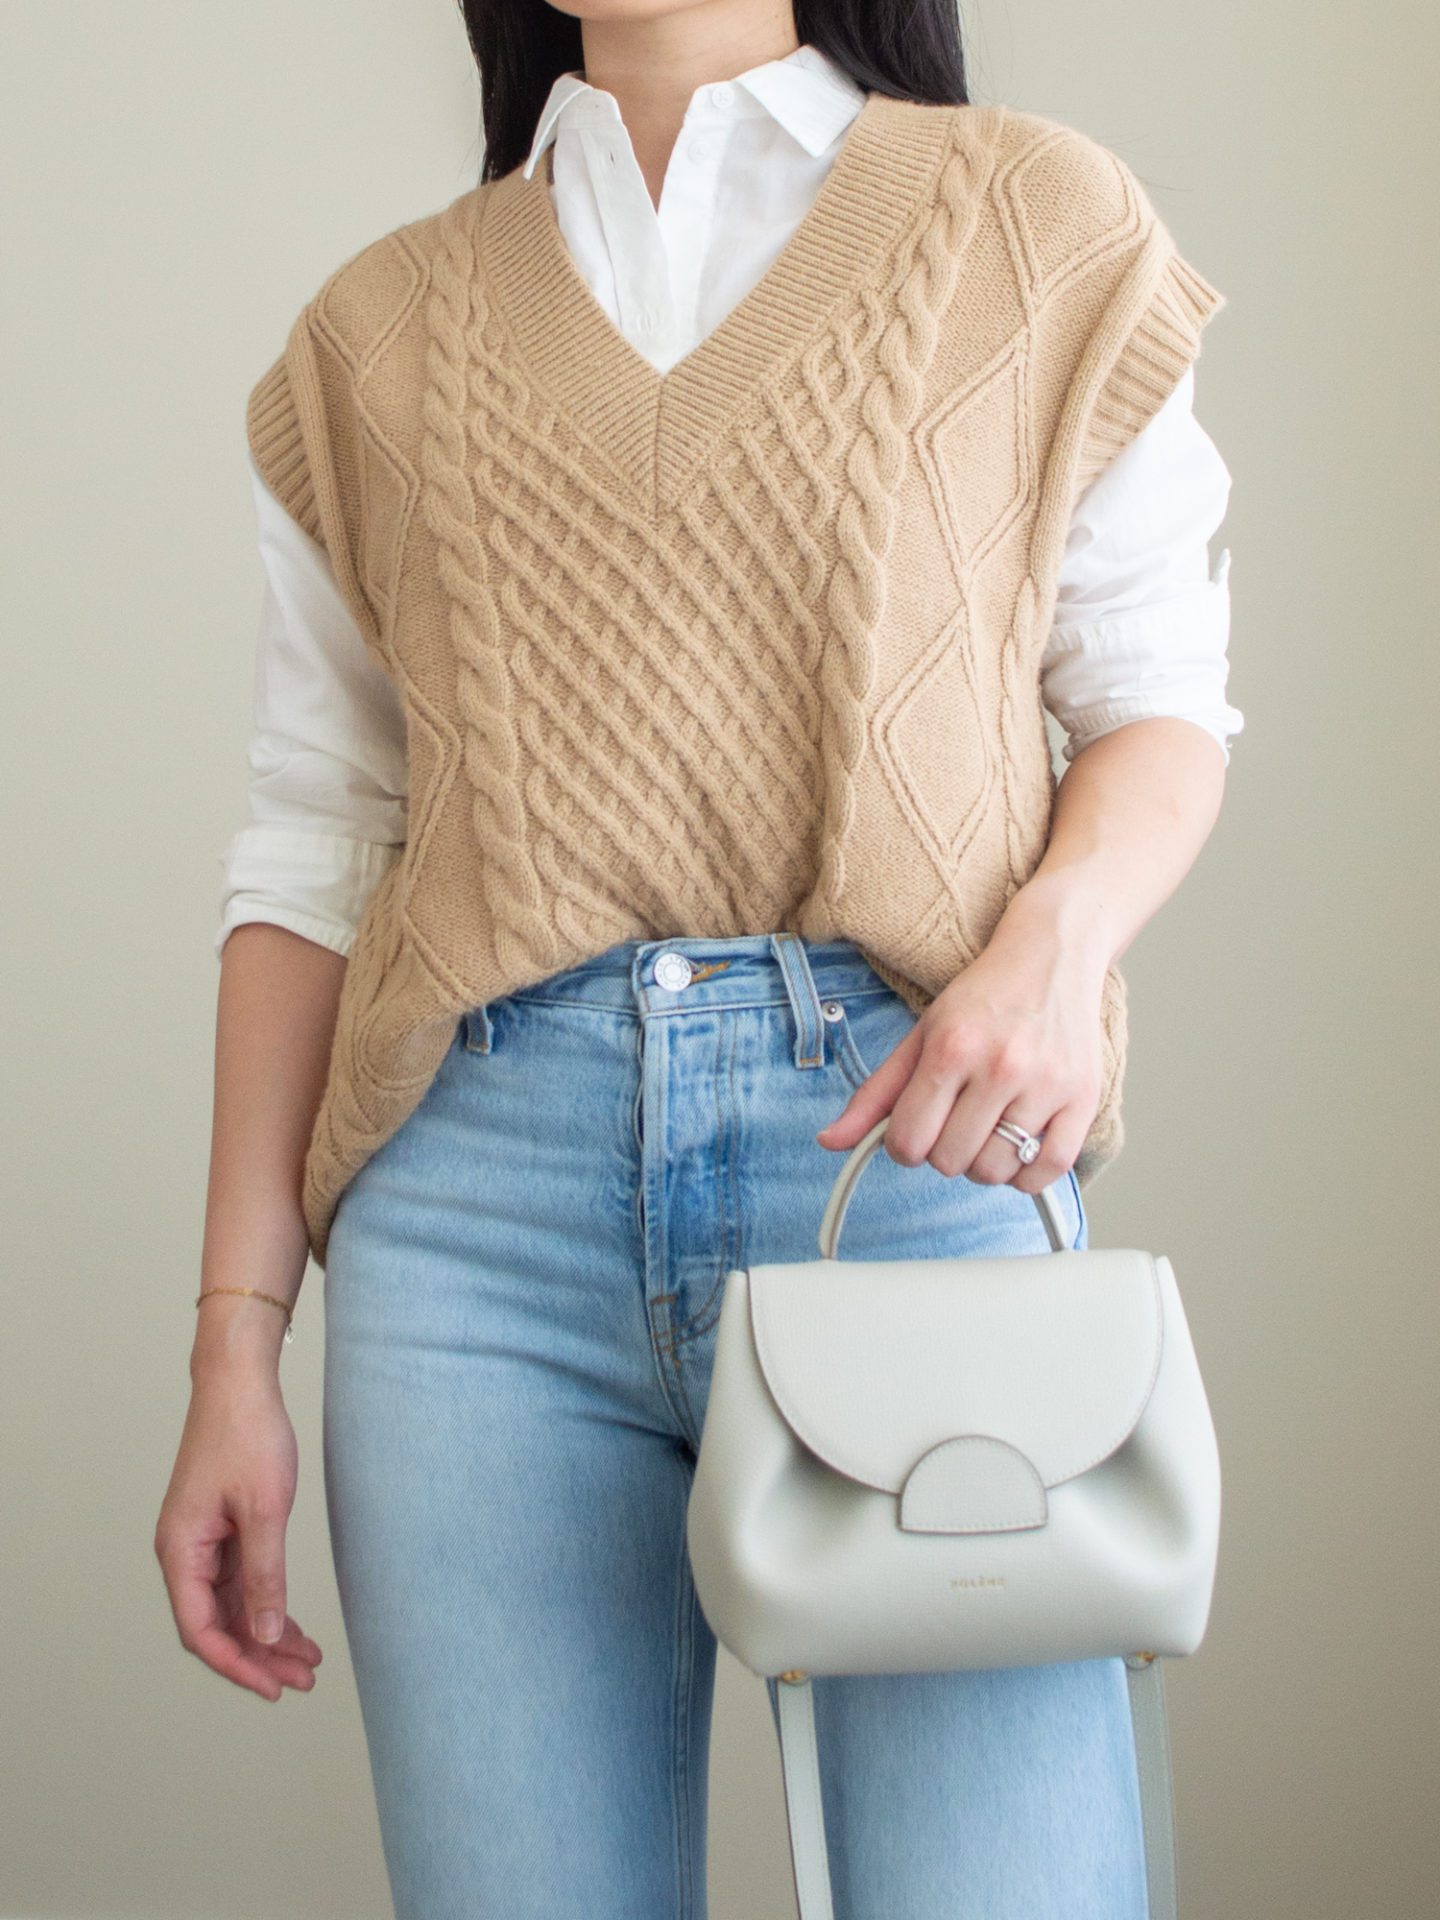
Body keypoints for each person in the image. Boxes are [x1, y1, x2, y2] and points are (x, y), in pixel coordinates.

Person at [155, 3, 1242, 1915]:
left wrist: (1059, 947)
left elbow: (1158, 700)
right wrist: (234, 1341)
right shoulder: (374, 336)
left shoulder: (1030, 220)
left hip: (908, 1161)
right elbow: (312, 847)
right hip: (472, 1241)